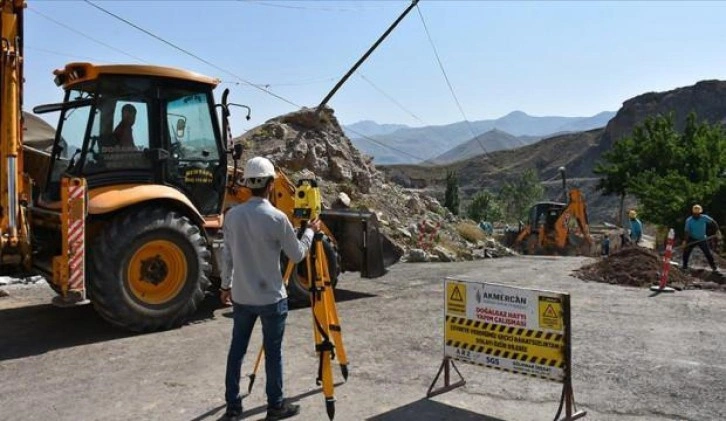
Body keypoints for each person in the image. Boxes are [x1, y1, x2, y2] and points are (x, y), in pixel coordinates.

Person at [220, 156, 320, 420]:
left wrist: (225, 285)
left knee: (237, 351)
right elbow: (298, 255)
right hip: (271, 299)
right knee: (273, 353)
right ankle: (275, 406)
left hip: (241, 296)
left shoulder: (231, 216)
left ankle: (232, 407)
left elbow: (226, 255)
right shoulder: (277, 218)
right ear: (270, 184)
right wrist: (309, 231)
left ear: (247, 184)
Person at [682, 204, 720, 272]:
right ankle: (684, 266)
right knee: (686, 252)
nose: (697, 215)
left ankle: (714, 267)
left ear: (700, 213)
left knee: (707, 253)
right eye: (695, 214)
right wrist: (685, 241)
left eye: (698, 214)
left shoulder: (704, 217)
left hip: (702, 238)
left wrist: (717, 230)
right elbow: (687, 232)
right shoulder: (689, 220)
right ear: (693, 213)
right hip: (692, 238)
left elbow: (714, 222)